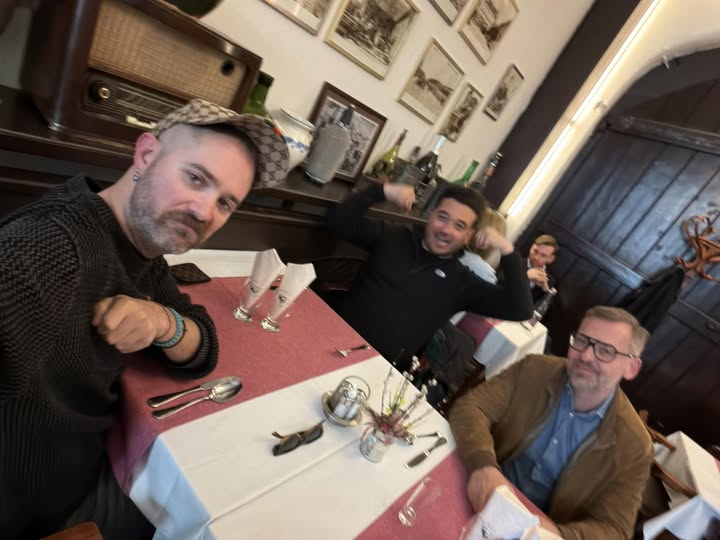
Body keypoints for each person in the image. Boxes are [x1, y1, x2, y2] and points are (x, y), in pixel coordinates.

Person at [0, 99, 289, 539]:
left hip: (92, 457)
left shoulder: (140, 245)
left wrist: (162, 323)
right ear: (147, 154)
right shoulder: (47, 251)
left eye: (225, 202)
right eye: (195, 178)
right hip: (51, 510)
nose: (205, 212)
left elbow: (203, 345)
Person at [450, 306, 653, 539]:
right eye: (582, 341)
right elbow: (472, 408)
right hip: (480, 489)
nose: (586, 356)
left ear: (631, 367)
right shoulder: (535, 368)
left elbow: (614, 528)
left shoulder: (635, 446)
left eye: (605, 351)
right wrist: (483, 467)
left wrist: (554, 533)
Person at [325, 182, 533, 369]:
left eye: (459, 226)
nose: (446, 230)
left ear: (468, 236)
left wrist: (508, 250)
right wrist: (380, 191)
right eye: (443, 217)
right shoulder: (395, 237)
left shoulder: (462, 282)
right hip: (333, 339)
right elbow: (337, 222)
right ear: (430, 215)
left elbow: (520, 309)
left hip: (379, 369)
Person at [526, 234, 559, 304]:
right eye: (535, 251)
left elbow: (542, 308)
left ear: (551, 259)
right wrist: (525, 276)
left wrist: (546, 291)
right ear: (531, 247)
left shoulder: (550, 282)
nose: (536, 257)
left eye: (543, 255)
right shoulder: (514, 262)